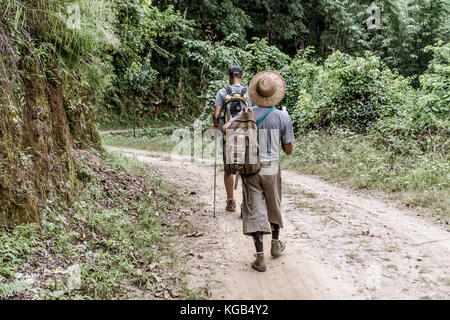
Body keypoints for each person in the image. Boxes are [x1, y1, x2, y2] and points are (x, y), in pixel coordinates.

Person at [223, 70, 294, 272]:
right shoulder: (282, 117)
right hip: (272, 167)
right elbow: (288, 150)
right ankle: (276, 244)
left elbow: (226, 127)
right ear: (275, 94)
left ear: (255, 93)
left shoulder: (247, 113)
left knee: (254, 209)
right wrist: (285, 123)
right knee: (273, 205)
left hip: (251, 167)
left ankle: (260, 257)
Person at [213, 66, 254, 213]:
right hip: (247, 136)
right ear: (242, 76)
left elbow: (217, 115)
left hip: (228, 136)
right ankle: (244, 203)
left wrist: (216, 125)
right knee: (246, 170)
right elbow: (253, 114)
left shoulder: (222, 92)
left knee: (229, 169)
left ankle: (231, 202)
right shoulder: (249, 92)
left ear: (229, 77)